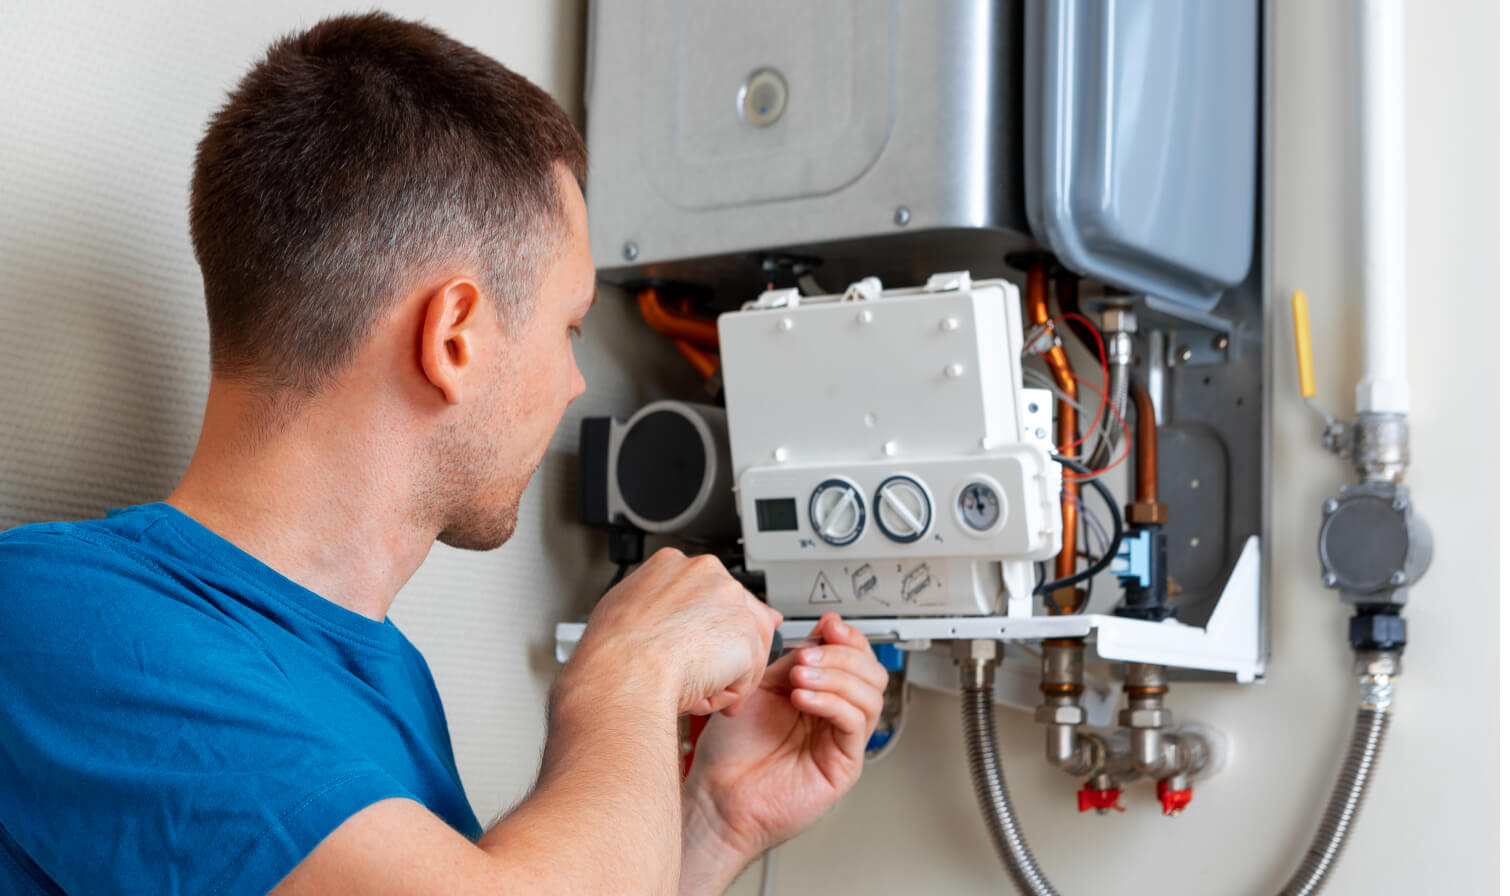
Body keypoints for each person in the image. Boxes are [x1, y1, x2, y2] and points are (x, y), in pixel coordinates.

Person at [0, 12, 887, 895]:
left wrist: (710, 822)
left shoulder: (381, 674)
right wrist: (629, 672)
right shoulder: (51, 619)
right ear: (454, 337)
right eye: (570, 327)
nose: (575, 383)